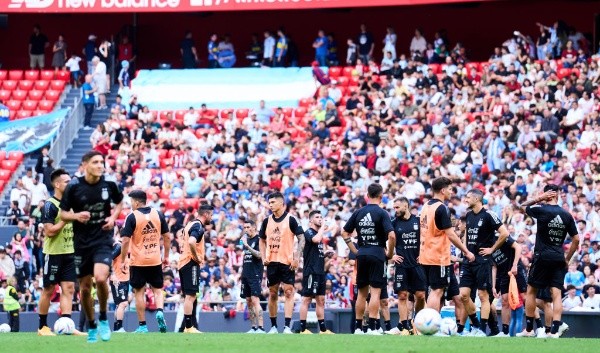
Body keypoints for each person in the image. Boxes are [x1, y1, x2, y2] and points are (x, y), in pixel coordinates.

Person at [60, 151, 124, 343]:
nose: (100, 165)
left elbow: (120, 202)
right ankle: (92, 325)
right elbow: (63, 214)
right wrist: (76, 216)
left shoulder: (109, 185)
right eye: (95, 162)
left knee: (101, 277)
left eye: (102, 162)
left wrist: (113, 218)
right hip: (81, 243)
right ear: (85, 164)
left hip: (102, 239)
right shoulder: (74, 187)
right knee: (86, 288)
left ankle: (103, 317)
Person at [515, 184, 579, 338]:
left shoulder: (541, 210)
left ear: (548, 195)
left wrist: (538, 199)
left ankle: (529, 330)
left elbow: (521, 206)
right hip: (558, 258)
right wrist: (567, 259)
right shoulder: (566, 215)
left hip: (542, 257)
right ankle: (555, 331)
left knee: (531, 291)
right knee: (556, 294)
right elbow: (576, 239)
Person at [341, 183, 396, 335]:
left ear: (367, 195)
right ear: (381, 195)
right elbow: (391, 235)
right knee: (376, 292)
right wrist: (390, 253)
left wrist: (355, 250)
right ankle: (372, 327)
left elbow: (344, 233)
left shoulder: (359, 212)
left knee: (362, 293)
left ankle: (358, 328)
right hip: (377, 253)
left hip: (362, 254)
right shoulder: (382, 213)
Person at [419, 177, 475, 312]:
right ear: (443, 190)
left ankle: (430, 324)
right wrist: (466, 251)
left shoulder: (426, 206)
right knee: (437, 290)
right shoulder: (442, 208)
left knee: (433, 290)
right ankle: (430, 324)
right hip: (438, 255)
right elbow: (450, 234)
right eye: (450, 189)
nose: (452, 192)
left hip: (425, 254)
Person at [459, 189, 509, 336]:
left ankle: (482, 329)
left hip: (483, 260)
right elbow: (468, 232)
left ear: (476, 198)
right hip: (469, 260)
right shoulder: (468, 215)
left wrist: (492, 249)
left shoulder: (489, 215)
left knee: (483, 296)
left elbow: (505, 233)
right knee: (463, 295)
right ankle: (475, 324)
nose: (466, 200)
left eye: (468, 197)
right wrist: (464, 247)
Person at [119, 190, 170, 333]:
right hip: (155, 259)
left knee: (139, 292)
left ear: (135, 202)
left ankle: (142, 326)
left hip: (138, 261)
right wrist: (166, 256)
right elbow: (167, 237)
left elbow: (125, 241)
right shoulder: (158, 214)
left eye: (131, 202)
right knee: (158, 290)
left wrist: (123, 260)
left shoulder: (131, 217)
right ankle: (160, 311)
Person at [38, 169, 81, 336]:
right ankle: (42, 327)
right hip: (53, 254)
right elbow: (49, 232)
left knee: (69, 289)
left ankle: (67, 325)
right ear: (57, 184)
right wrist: (66, 218)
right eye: (66, 182)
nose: (70, 185)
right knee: (49, 289)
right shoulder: (50, 205)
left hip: (70, 253)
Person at [258, 192, 305, 334]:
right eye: (269, 202)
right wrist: (263, 256)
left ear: (281, 203)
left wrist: (297, 257)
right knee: (273, 294)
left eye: (272, 202)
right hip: (272, 262)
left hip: (287, 262)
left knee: (289, 292)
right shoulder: (266, 221)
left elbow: (301, 238)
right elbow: (261, 240)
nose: (270, 205)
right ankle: (273, 326)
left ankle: (286, 326)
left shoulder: (291, 219)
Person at [386, 197, 425, 335]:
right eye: (394, 208)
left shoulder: (418, 221)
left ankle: (417, 323)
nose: (395, 210)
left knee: (420, 295)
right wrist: (391, 255)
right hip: (402, 264)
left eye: (397, 207)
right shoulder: (393, 223)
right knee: (402, 295)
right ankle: (404, 326)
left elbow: (426, 239)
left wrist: (424, 253)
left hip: (417, 264)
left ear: (405, 206)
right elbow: (384, 241)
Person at [299, 211, 336, 334]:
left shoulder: (318, 235)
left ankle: (323, 330)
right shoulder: (309, 232)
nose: (320, 219)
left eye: (321, 217)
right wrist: (324, 227)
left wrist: (325, 254)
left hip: (320, 272)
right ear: (311, 221)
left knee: (321, 300)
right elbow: (315, 240)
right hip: (311, 271)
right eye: (317, 217)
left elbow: (315, 252)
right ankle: (302, 329)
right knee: (307, 299)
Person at [179, 204, 213, 333]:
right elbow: (192, 241)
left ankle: (188, 326)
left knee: (190, 296)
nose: (211, 217)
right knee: (191, 296)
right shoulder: (198, 226)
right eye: (210, 214)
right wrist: (196, 257)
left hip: (183, 262)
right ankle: (188, 327)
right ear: (205, 214)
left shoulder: (189, 224)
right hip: (190, 263)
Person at [489, 232, 526, 337]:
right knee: (505, 300)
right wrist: (493, 286)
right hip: (503, 274)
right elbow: (494, 267)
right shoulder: (486, 245)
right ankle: (505, 332)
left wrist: (514, 265)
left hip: (516, 269)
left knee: (525, 297)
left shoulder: (502, 237)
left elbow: (518, 248)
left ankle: (533, 327)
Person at [240, 219, 264, 334]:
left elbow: (259, 255)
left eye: (248, 227)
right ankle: (253, 327)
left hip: (255, 274)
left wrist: (247, 246)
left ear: (254, 227)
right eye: (244, 227)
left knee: (255, 300)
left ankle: (261, 327)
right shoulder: (246, 240)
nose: (246, 229)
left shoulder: (259, 240)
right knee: (248, 300)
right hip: (245, 273)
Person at [110, 237, 129, 333]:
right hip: (118, 280)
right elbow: (109, 259)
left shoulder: (127, 246)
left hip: (125, 279)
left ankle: (116, 328)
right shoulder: (118, 246)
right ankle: (119, 327)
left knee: (119, 305)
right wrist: (112, 274)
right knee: (123, 303)